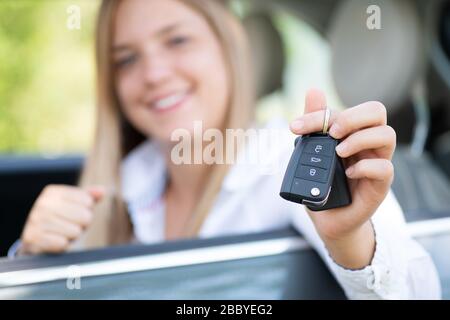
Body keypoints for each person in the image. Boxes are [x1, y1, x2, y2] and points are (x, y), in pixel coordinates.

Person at [12, 0, 440, 299]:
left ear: (230, 47)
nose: (154, 73)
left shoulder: (294, 160)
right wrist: (32, 262)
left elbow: (418, 293)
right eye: (126, 59)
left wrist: (350, 240)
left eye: (177, 40)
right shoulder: (118, 185)